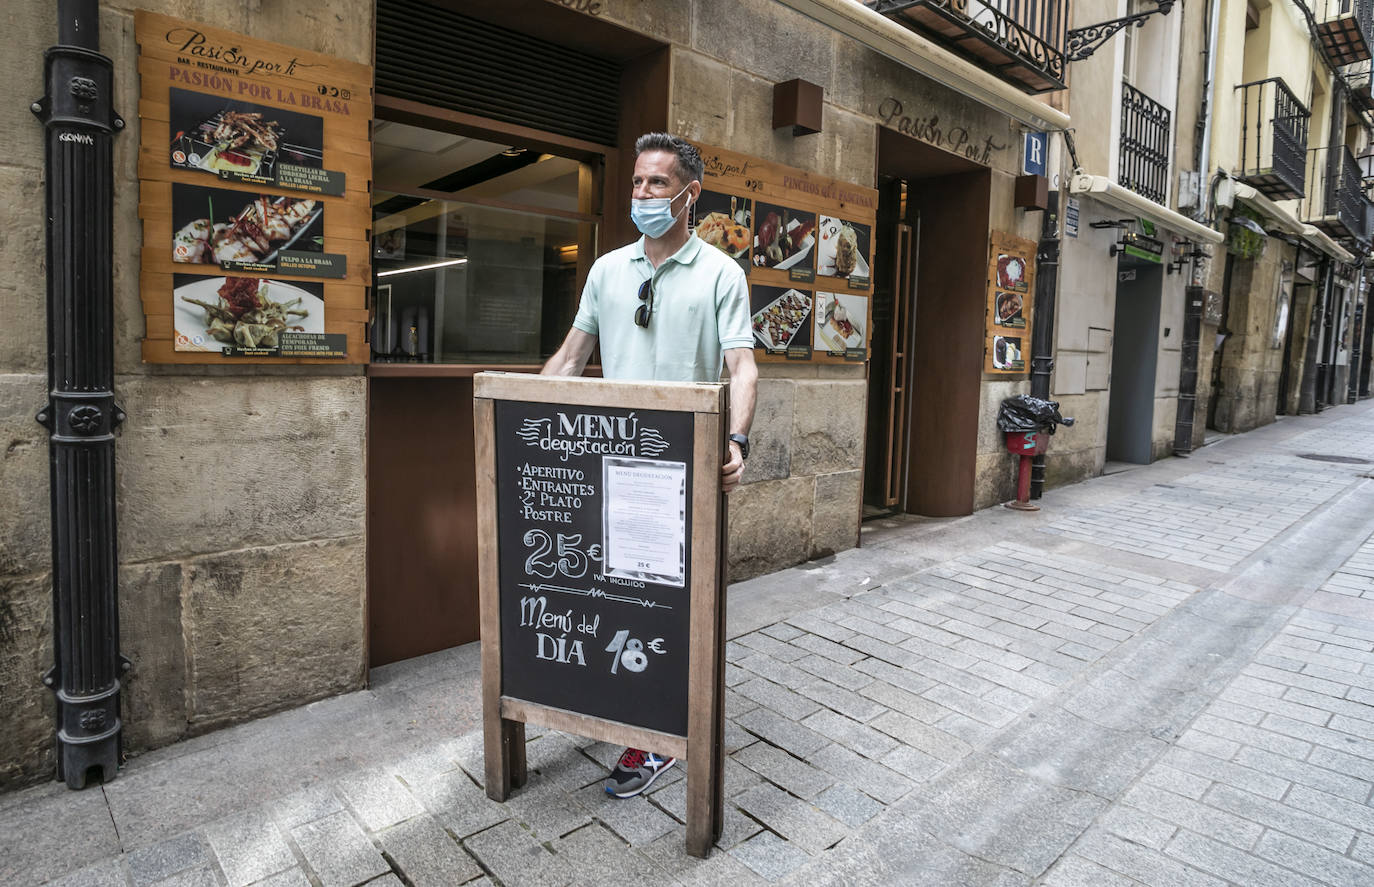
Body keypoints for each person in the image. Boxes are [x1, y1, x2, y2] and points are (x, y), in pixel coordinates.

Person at [542, 132, 758, 798]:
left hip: (679, 476)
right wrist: (522, 419)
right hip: (604, 471)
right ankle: (632, 709)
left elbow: (742, 365)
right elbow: (572, 357)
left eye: (657, 184)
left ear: (691, 194)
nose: (642, 195)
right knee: (613, 597)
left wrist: (739, 440)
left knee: (671, 607)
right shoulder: (607, 270)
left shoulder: (722, 273)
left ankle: (660, 735)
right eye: (636, 183)